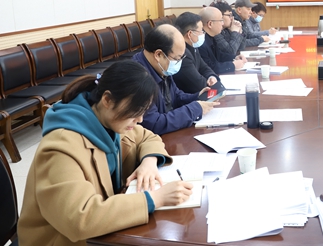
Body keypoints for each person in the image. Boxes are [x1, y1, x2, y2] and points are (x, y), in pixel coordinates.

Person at [18, 61, 194, 246]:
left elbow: (148, 138)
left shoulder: (110, 121)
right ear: (107, 100)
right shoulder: (61, 147)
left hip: (101, 234)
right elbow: (79, 219)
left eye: (143, 112)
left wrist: (149, 162)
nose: (140, 119)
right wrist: (155, 199)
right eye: (135, 111)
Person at [132, 24, 218, 135]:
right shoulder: (137, 78)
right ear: (158, 54)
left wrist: (197, 97)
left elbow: (176, 96)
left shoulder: (160, 67)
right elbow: (154, 123)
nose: (179, 63)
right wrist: (195, 109)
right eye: (177, 59)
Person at [173, 12, 219, 94]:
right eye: (201, 31)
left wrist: (211, 77)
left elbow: (204, 67)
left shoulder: (193, 46)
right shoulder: (182, 54)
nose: (203, 34)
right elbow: (199, 85)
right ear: (190, 34)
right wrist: (210, 83)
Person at [200, 6, 247, 74]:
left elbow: (219, 55)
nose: (222, 23)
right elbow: (209, 67)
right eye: (221, 20)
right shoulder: (200, 42)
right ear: (210, 24)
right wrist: (233, 65)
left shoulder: (211, 36)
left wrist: (235, 57)